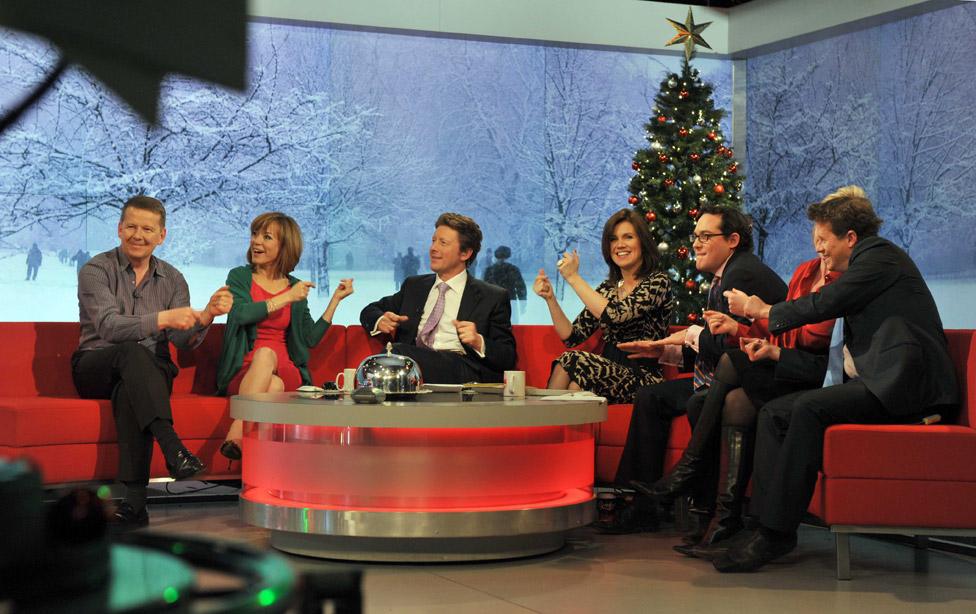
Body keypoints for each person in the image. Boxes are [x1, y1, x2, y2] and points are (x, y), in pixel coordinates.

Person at [714, 186, 958, 573]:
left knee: (810, 407)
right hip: (877, 383)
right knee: (776, 413)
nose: (820, 251)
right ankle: (759, 525)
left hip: (905, 390)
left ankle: (777, 533)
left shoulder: (878, 257)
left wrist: (764, 310)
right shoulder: (869, 262)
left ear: (850, 237)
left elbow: (826, 301)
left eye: (823, 241)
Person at [651, 236, 840, 560]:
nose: (819, 246)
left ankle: (691, 480)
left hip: (812, 374)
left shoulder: (746, 273)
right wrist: (741, 330)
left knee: (730, 365)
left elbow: (809, 335)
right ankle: (723, 518)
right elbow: (787, 330)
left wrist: (758, 314)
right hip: (786, 363)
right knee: (721, 400)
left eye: (825, 238)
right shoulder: (807, 271)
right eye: (815, 238)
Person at [604, 206, 787, 533]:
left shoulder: (740, 273)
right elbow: (715, 348)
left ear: (732, 240)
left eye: (705, 236)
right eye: (695, 237)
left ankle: (702, 510)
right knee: (652, 397)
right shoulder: (723, 274)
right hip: (722, 375)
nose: (696, 245)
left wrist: (680, 337)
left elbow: (733, 348)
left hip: (760, 378)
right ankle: (643, 504)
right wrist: (663, 349)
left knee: (696, 402)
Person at [71, 195, 233, 529]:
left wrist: (206, 316)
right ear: (119, 229)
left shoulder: (173, 279)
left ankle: (134, 506)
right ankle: (172, 446)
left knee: (131, 387)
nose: (138, 235)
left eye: (147, 229)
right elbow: (109, 327)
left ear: (161, 236)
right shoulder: (95, 270)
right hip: (95, 365)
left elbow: (181, 342)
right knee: (131, 351)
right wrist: (162, 318)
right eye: (131, 226)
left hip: (148, 371)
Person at [215, 212, 354, 460]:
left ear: (284, 247)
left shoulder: (295, 286)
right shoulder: (240, 276)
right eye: (255, 234)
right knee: (271, 379)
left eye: (266, 237)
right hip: (244, 369)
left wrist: (335, 300)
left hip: (287, 368)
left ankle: (237, 430)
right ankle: (268, 470)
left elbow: (310, 338)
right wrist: (286, 298)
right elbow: (241, 315)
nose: (256, 242)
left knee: (270, 362)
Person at [532, 209, 672, 403]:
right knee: (576, 385)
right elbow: (572, 336)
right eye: (613, 239)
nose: (619, 245)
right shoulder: (608, 288)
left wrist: (573, 278)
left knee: (572, 362)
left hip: (643, 376)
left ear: (643, 242)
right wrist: (550, 299)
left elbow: (615, 314)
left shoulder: (657, 282)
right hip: (604, 372)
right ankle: (552, 429)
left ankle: (542, 426)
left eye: (628, 237)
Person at [360, 212, 516, 384]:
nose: (433, 248)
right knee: (394, 360)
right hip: (411, 366)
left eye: (443, 243)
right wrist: (380, 320)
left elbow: (508, 356)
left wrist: (478, 341)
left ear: (465, 253)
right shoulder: (414, 286)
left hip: (462, 368)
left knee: (395, 356)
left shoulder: (491, 296)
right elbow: (370, 310)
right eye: (433, 241)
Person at [484, 245, 528, 324]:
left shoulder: (489, 271)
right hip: (510, 302)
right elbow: (520, 287)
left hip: (493, 304)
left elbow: (484, 289)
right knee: (512, 325)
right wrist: (522, 303)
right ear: (509, 256)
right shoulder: (513, 269)